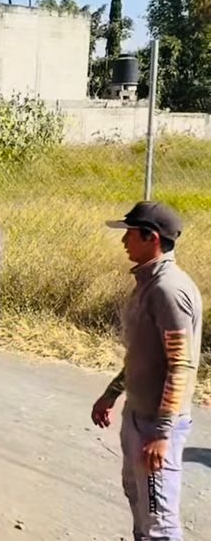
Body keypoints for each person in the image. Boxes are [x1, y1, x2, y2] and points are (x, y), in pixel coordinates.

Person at [92, 201, 203, 540]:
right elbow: (143, 354)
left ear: (150, 237)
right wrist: (111, 394)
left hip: (156, 423)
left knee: (159, 522)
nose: (124, 241)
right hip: (138, 416)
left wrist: (162, 434)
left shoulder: (169, 290)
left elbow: (179, 363)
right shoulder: (148, 283)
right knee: (139, 502)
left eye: (129, 233)